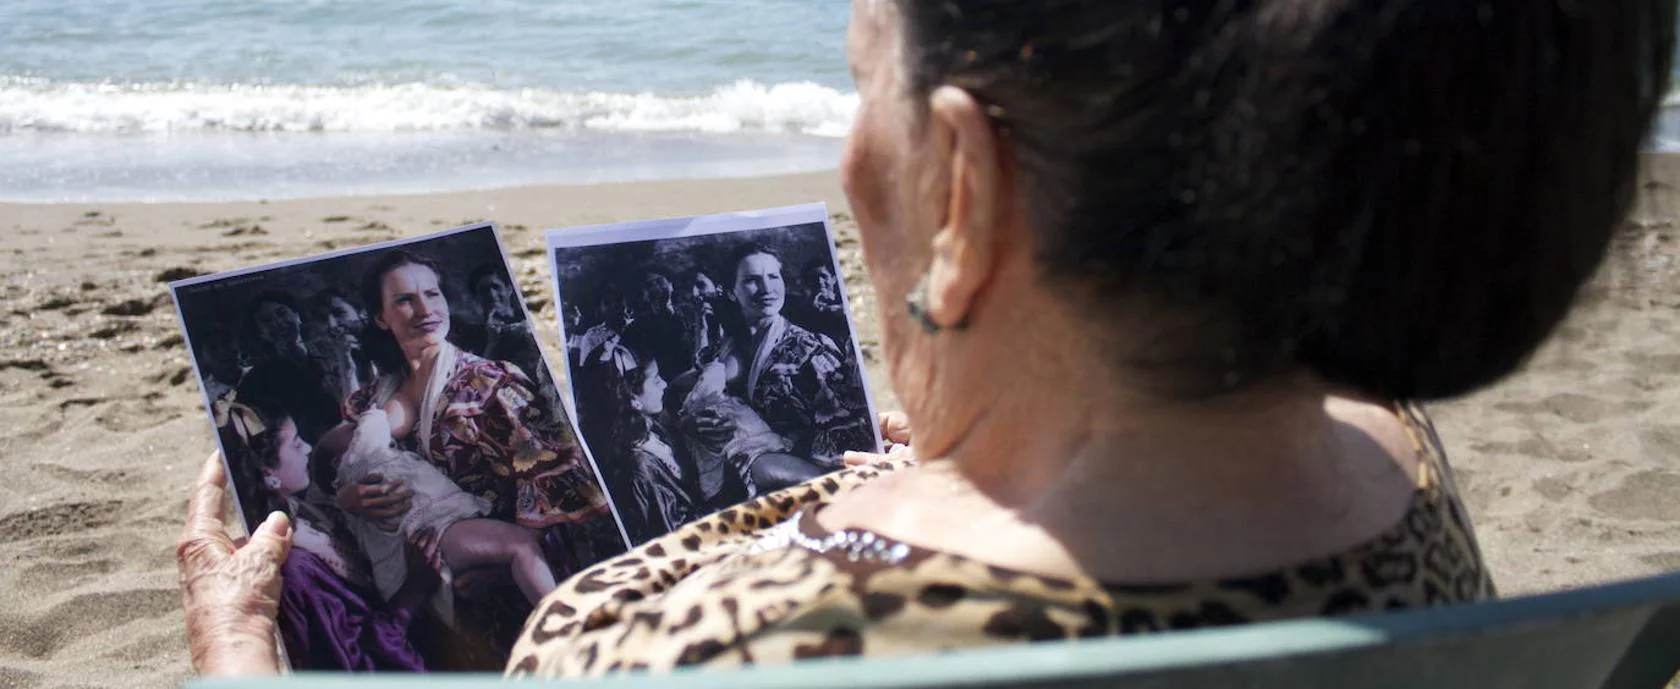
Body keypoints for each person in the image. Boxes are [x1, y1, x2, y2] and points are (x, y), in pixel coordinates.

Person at [179, 0, 1675, 678]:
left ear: (960, 184)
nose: (849, 152)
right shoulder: (1399, 457)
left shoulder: (671, 654)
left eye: (861, 78)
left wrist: (245, 656)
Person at [214, 404, 430, 672]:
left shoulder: (296, 510)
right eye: (295, 444)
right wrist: (414, 590)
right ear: (268, 472)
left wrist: (344, 502)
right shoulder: (296, 570)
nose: (307, 448)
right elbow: (354, 658)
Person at [694, 244, 875, 466]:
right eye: (752, 280)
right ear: (731, 291)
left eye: (773, 276)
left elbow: (852, 437)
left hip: (808, 472)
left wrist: (777, 445)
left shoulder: (810, 348)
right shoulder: (724, 347)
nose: (766, 288)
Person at [574, 354, 698, 545]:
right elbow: (666, 534)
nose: (664, 384)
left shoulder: (654, 430)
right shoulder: (639, 468)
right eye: (656, 380)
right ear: (633, 399)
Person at [235, 292, 341, 444]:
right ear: (260, 333)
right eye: (266, 320)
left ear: (297, 315)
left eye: (282, 313)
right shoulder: (257, 381)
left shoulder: (334, 353)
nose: (278, 322)